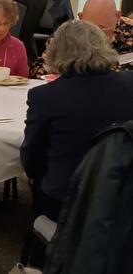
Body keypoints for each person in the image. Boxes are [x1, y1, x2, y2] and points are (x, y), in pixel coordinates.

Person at [21, 20, 133, 219]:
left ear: (57, 51)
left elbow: (32, 158)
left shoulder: (45, 96)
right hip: (124, 192)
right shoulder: (129, 83)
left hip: (67, 199)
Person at [30, 0, 133, 77]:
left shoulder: (129, 32)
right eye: (90, 30)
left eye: (102, 30)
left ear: (118, 16)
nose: (97, 37)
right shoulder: (68, 34)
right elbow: (38, 70)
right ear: (80, 17)